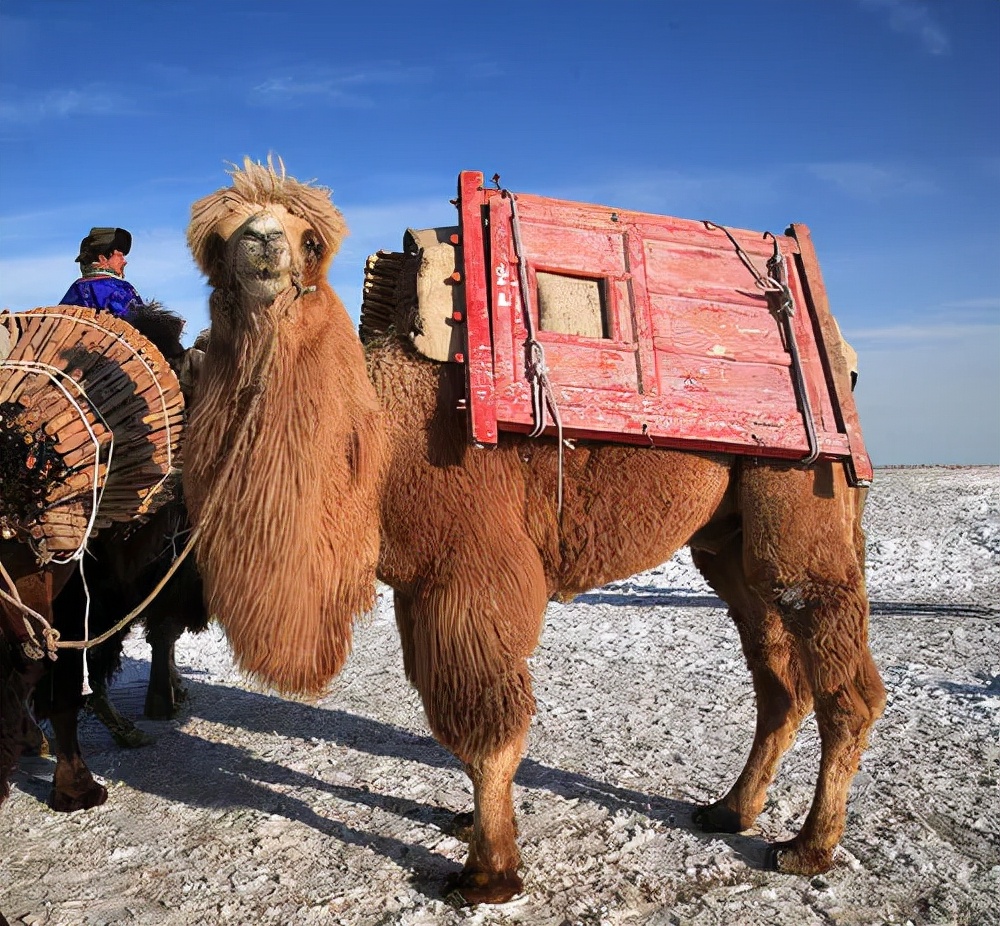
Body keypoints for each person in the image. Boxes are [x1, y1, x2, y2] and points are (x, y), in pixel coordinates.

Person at [59, 227, 145, 320]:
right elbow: (139, 322)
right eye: (120, 256)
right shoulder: (118, 288)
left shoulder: (76, 288)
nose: (124, 261)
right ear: (102, 259)